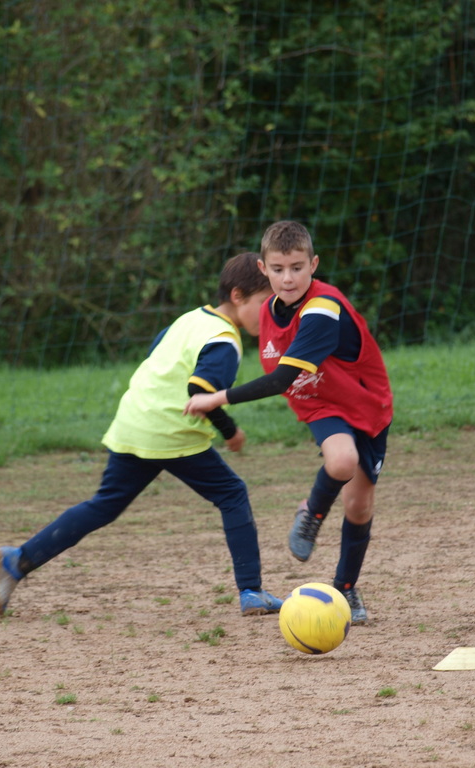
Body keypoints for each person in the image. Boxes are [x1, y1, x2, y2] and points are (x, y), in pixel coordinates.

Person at [0, 252, 283, 617]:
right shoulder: (225, 340)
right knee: (232, 493)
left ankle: (18, 560)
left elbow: (155, 353)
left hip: (135, 421)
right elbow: (200, 391)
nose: (269, 312)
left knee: (104, 505)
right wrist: (230, 430)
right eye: (265, 302)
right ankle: (251, 591)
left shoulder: (191, 318)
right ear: (238, 296)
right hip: (171, 433)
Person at [184, 221, 392, 624]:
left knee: (359, 505)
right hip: (320, 403)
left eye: (297, 268)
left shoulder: (322, 309)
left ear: (313, 264)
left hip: (367, 406)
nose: (288, 278)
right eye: (278, 269)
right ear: (263, 269)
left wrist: (216, 397)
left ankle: (346, 587)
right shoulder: (267, 310)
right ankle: (313, 513)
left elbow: (281, 378)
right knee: (341, 461)